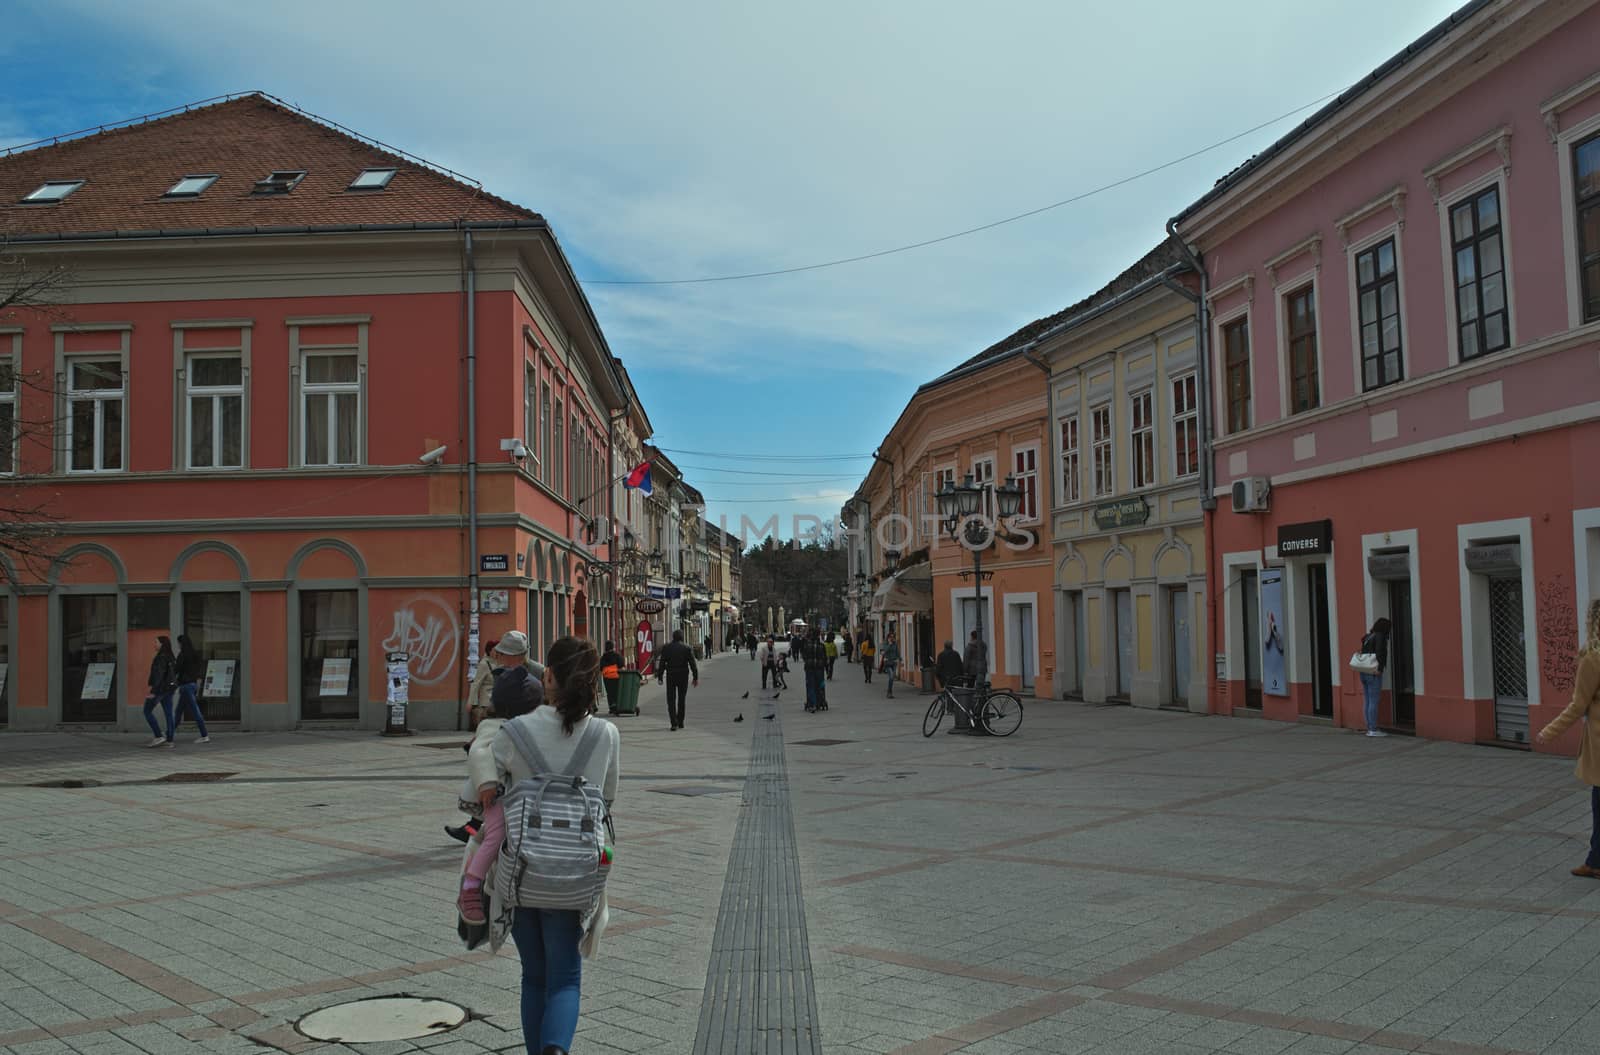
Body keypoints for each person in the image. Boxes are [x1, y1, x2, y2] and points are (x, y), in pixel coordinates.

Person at [483, 636, 621, 1055]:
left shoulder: (515, 731)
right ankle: (555, 1050)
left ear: (548, 677)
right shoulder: (606, 734)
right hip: (576, 874)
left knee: (534, 977)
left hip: (523, 871)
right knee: (565, 977)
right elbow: (607, 798)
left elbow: (483, 787)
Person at [456, 663, 544, 926]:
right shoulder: (493, 726)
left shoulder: (532, 724)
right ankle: (471, 885)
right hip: (498, 795)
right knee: (497, 834)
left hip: (525, 795)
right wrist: (486, 783)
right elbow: (479, 752)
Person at [1537, 599, 1600, 879]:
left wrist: (1550, 731)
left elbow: (1578, 704)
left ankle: (1596, 861)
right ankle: (1595, 858)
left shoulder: (1592, 657)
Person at [656, 629, 699, 731]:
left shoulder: (667, 648)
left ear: (673, 637)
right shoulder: (687, 648)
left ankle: (673, 723)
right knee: (681, 699)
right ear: (682, 637)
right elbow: (693, 663)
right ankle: (681, 722)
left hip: (671, 675)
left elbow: (662, 663)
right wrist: (695, 677)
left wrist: (660, 677)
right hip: (683, 676)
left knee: (671, 699)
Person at [171, 633, 210, 744]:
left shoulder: (182, 655)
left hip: (185, 686)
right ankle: (169, 734)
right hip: (192, 685)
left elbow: (176, 669)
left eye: (178, 643)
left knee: (195, 711)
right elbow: (199, 669)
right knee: (178, 712)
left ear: (181, 643)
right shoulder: (195, 654)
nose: (178, 645)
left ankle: (204, 735)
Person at [1358, 618, 1392, 737]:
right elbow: (1380, 652)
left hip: (1363, 671)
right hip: (1373, 671)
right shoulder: (1380, 637)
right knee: (1374, 700)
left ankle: (1369, 727)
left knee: (1367, 700)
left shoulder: (1368, 636)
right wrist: (1380, 668)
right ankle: (1373, 729)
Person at [144, 636, 178, 747]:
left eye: (156, 642)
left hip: (160, 689)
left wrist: (153, 691)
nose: (155, 644)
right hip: (170, 688)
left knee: (147, 710)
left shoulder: (161, 657)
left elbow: (159, 675)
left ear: (162, 644)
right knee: (169, 714)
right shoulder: (171, 656)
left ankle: (158, 736)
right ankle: (170, 740)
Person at [466, 638, 503, 728]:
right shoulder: (484, 664)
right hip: (486, 703)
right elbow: (476, 684)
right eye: (495, 650)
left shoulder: (500, 662)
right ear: (489, 650)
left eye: (499, 650)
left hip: (498, 701)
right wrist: (471, 702)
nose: (497, 653)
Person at [801, 629, 827, 714]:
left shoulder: (807, 645)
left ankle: (812, 704)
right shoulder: (822, 646)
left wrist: (808, 661)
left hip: (809, 668)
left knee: (810, 686)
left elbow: (804, 656)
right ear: (819, 635)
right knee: (819, 686)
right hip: (819, 669)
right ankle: (820, 701)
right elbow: (824, 658)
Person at [598, 641, 624, 716]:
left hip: (607, 677)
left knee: (609, 693)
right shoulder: (617, 655)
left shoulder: (603, 657)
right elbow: (621, 664)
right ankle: (617, 707)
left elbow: (600, 667)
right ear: (613, 647)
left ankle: (611, 708)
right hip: (616, 676)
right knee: (616, 692)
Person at [880, 631, 901, 698]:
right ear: (888, 638)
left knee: (892, 678)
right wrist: (889, 644)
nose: (892, 638)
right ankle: (889, 692)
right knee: (891, 676)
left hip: (894, 663)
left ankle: (890, 692)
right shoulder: (885, 644)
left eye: (893, 637)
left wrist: (900, 659)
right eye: (890, 637)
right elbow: (884, 651)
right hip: (888, 663)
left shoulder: (895, 644)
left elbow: (897, 653)